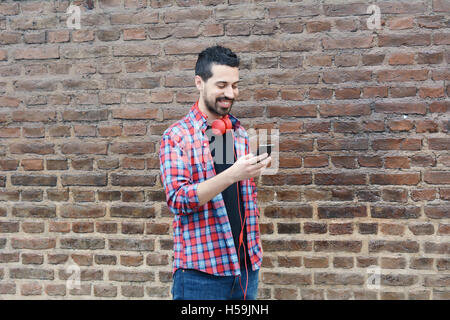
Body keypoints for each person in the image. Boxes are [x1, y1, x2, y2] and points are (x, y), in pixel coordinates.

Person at [159, 45, 271, 300]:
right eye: (222, 85)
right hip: (201, 274)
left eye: (235, 85)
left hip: (245, 268)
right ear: (199, 82)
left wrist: (253, 171)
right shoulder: (177, 137)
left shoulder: (237, 132)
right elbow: (178, 199)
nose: (230, 93)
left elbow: (234, 197)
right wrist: (233, 173)